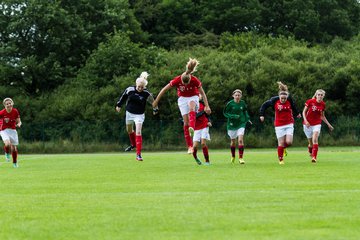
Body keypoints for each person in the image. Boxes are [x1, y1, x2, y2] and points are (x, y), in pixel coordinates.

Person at [152, 58, 211, 154]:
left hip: (193, 97)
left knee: (191, 106)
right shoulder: (177, 80)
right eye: (184, 84)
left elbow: (203, 94)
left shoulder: (195, 80)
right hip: (182, 99)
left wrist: (207, 106)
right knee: (185, 123)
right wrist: (156, 101)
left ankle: (192, 128)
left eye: (188, 84)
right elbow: (164, 89)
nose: (186, 85)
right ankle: (189, 146)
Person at [116, 72, 158, 161]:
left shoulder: (146, 94)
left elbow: (153, 102)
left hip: (139, 115)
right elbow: (123, 97)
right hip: (129, 113)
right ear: (136, 84)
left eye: (142, 87)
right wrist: (119, 105)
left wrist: (155, 109)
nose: (140, 88)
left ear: (144, 87)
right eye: (139, 87)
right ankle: (133, 145)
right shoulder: (130, 89)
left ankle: (138, 155)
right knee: (129, 130)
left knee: (138, 132)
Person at [259, 82, 301, 164]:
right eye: (282, 98)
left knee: (289, 142)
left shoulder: (289, 99)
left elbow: (293, 106)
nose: (283, 100)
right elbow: (264, 105)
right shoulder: (274, 100)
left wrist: (297, 113)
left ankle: (283, 148)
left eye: (285, 98)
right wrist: (261, 115)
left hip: (289, 123)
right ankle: (281, 160)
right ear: (279, 97)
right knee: (281, 142)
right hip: (279, 125)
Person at [302, 89, 334, 163]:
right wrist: (306, 121)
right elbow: (304, 112)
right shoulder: (310, 101)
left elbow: (322, 116)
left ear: (323, 96)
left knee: (315, 139)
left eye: (321, 95)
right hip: (307, 125)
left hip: (317, 124)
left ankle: (314, 157)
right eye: (318, 94)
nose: (320, 96)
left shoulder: (323, 104)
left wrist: (329, 125)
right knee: (310, 143)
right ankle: (310, 149)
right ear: (316, 95)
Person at [223, 89, 252, 164]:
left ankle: (241, 158)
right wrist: (233, 116)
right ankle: (233, 156)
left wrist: (248, 119)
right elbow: (225, 113)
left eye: (239, 95)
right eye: (236, 95)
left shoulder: (243, 103)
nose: (237, 96)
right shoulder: (230, 104)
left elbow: (245, 111)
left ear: (241, 96)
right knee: (233, 142)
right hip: (232, 125)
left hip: (241, 123)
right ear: (233, 96)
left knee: (240, 140)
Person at [0, 98, 22, 167]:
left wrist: (19, 124)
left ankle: (15, 163)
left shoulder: (15, 111)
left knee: (14, 148)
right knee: (7, 143)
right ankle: (7, 153)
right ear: (4, 105)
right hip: (4, 130)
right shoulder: (2, 112)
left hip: (12, 130)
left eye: (10, 103)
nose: (9, 105)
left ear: (12, 103)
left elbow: (19, 121)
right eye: (7, 104)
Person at [192, 95, 212, 165]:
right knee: (194, 147)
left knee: (203, 143)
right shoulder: (191, 104)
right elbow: (193, 116)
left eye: (200, 95)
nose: (199, 96)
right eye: (197, 95)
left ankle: (207, 161)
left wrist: (209, 121)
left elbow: (207, 115)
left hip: (204, 125)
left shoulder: (203, 104)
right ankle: (195, 157)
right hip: (196, 128)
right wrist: (202, 112)